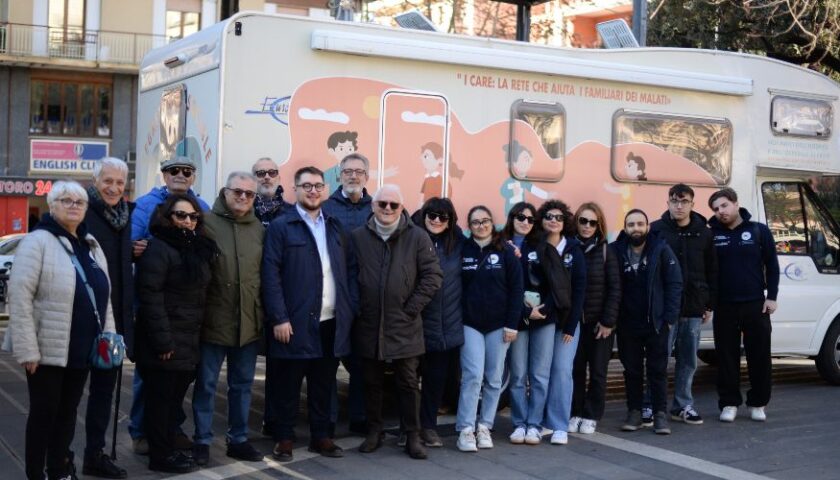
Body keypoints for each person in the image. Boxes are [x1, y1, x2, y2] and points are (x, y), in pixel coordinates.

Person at [8, 181, 116, 480]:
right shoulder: (37, 241)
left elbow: (104, 297)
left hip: (82, 349)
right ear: (52, 206)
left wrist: (108, 337)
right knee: (44, 415)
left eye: (79, 202)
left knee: (68, 415)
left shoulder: (90, 244)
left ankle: (58, 470)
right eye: (65, 200)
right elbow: (19, 295)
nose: (73, 206)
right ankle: (35, 473)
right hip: (46, 349)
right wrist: (27, 348)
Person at [262, 166, 357, 462]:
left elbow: (349, 270)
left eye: (318, 186)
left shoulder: (335, 226)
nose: (313, 191)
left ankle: (321, 437)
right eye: (307, 186)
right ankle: (285, 438)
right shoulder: (281, 226)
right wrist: (279, 317)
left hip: (331, 321)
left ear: (325, 190)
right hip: (294, 321)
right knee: (287, 385)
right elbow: (270, 274)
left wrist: (349, 307)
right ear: (296, 189)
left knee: (323, 384)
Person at [351, 184, 442, 460]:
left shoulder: (417, 236)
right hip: (369, 323)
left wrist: (410, 309)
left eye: (393, 204)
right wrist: (359, 307)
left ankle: (412, 435)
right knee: (371, 382)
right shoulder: (357, 237)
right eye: (382, 204)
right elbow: (349, 276)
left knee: (408, 383)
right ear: (373, 206)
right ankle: (374, 430)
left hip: (405, 325)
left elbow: (433, 276)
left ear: (402, 208)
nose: (387, 209)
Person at [128, 155, 209, 453]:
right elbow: (131, 245)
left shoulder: (203, 208)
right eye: (174, 170)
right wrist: (135, 250)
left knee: (177, 380)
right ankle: (141, 433)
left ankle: (168, 430)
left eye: (187, 171)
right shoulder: (145, 205)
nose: (180, 175)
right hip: (157, 305)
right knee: (150, 378)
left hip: (189, 310)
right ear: (164, 174)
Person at [134, 194, 218, 473]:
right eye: (181, 215)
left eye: (193, 216)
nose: (187, 221)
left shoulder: (198, 248)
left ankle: (167, 449)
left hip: (189, 340)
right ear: (167, 217)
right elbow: (150, 296)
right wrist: (163, 341)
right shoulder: (159, 247)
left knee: (172, 403)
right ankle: (160, 456)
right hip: (165, 341)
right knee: (160, 402)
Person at [191, 172, 265, 466]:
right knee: (207, 383)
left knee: (242, 384)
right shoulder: (206, 223)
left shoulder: (258, 228)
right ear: (225, 191)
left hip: (248, 320)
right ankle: (202, 440)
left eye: (249, 194)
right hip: (214, 318)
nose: (243, 197)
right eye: (238, 192)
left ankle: (239, 439)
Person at [644, 184, 718, 426]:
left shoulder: (705, 233)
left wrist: (709, 303)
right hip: (664, 309)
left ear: (692, 204)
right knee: (658, 356)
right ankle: (650, 405)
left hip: (694, 307)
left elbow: (712, 270)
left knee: (688, 359)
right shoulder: (656, 230)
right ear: (667, 203)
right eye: (674, 200)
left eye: (683, 201)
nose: (678, 205)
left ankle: (683, 405)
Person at [456, 205, 524, 452]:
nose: (481, 225)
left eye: (485, 221)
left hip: (499, 325)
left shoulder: (506, 251)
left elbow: (517, 290)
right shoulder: (462, 250)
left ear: (492, 223)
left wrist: (512, 324)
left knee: (494, 379)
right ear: (469, 226)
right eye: (475, 222)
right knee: (473, 375)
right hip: (470, 324)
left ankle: (484, 426)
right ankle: (465, 429)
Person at [708, 188, 779, 423]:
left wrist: (772, 296)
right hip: (725, 306)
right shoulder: (712, 235)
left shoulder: (758, 231)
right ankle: (729, 403)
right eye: (716, 209)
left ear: (736, 204)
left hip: (756, 305)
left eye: (724, 206)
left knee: (759, 356)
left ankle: (758, 403)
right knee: (726, 358)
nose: (720, 212)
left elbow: (773, 265)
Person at [82, 158, 134, 479]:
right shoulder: (82, 211)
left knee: (104, 394)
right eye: (108, 181)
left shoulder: (126, 217)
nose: (114, 188)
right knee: (68, 394)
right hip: (84, 318)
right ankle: (58, 457)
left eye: (119, 182)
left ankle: (94, 454)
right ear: (95, 180)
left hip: (113, 323)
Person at [613, 209, 682, 435]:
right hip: (626, 324)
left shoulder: (661, 249)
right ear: (625, 228)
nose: (636, 228)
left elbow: (674, 283)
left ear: (647, 227)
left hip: (656, 323)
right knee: (631, 370)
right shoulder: (615, 251)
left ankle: (660, 414)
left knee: (657, 370)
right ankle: (634, 412)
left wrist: (670, 318)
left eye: (640, 224)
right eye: (631, 225)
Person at [321, 152, 373, 435]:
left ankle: (359, 417)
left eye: (359, 171)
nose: (353, 176)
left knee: (361, 362)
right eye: (348, 171)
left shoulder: (378, 207)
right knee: (328, 360)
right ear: (339, 175)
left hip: (365, 297)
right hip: (333, 296)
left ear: (367, 176)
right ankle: (327, 420)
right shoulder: (326, 207)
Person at [410, 197, 465, 448]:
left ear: (450, 220)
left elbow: (488, 249)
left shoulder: (459, 244)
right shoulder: (409, 239)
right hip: (413, 322)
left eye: (443, 216)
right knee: (407, 381)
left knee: (434, 381)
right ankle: (407, 428)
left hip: (445, 323)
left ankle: (429, 427)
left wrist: (509, 248)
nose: (436, 220)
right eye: (431, 214)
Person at [502, 202, 555, 446]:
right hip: (517, 319)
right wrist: (524, 311)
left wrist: (542, 310)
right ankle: (519, 424)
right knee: (518, 374)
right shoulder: (502, 245)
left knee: (539, 375)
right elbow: (502, 287)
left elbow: (558, 284)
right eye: (520, 217)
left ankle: (534, 425)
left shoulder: (543, 247)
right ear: (512, 218)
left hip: (543, 318)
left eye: (530, 219)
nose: (525, 222)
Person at [538, 200, 587, 446]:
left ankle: (559, 425)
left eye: (558, 217)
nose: (554, 220)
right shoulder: (536, 247)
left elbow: (579, 292)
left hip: (567, 324)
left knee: (562, 371)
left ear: (564, 221)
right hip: (542, 322)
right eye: (549, 216)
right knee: (541, 372)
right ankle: (543, 422)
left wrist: (571, 326)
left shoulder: (574, 250)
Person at [569, 202, 621, 436]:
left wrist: (608, 321)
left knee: (598, 372)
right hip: (575, 324)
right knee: (575, 370)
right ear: (577, 222)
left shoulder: (605, 251)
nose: (587, 226)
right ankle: (576, 412)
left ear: (598, 225)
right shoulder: (568, 248)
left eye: (592, 222)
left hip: (599, 325)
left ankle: (591, 415)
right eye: (583, 221)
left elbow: (615, 289)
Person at [252, 157, 293, 228]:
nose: (267, 177)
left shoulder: (292, 212)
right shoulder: (244, 211)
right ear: (252, 180)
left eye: (272, 173)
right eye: (261, 173)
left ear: (279, 179)